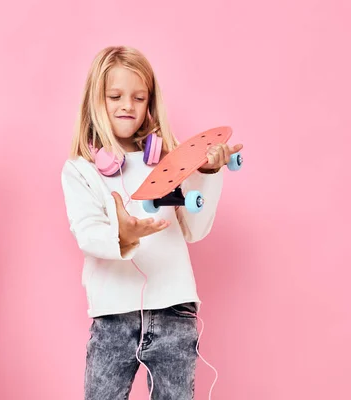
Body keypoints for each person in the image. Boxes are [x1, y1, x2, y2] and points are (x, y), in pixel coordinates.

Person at [60, 45, 243, 399]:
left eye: (138, 97)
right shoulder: (79, 169)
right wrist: (123, 237)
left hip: (175, 310)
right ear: (95, 101)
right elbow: (87, 232)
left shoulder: (169, 161)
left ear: (149, 103)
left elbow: (196, 229)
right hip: (112, 317)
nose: (127, 105)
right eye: (115, 96)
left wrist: (209, 173)